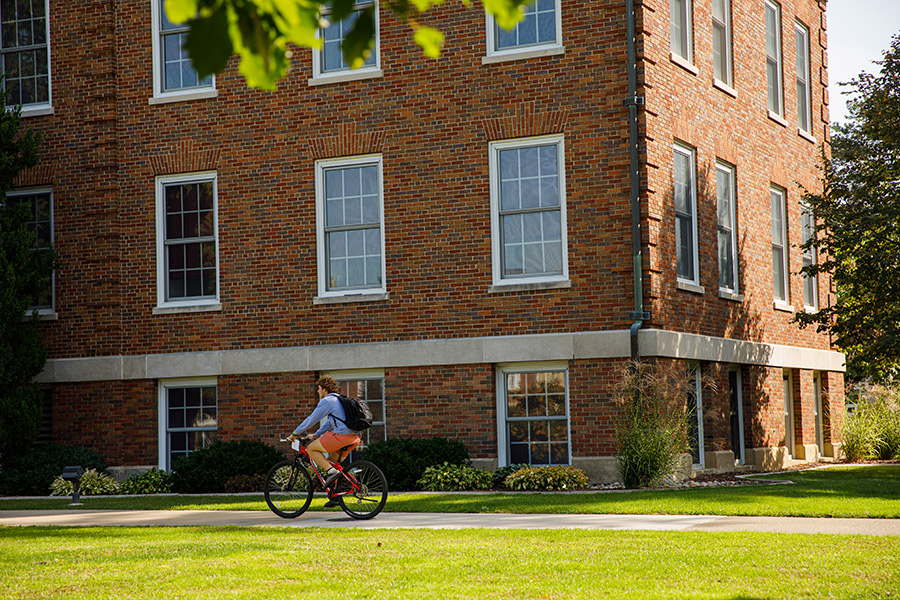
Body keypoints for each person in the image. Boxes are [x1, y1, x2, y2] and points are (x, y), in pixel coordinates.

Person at [287, 376, 361, 506]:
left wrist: (294, 433)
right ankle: (335, 496)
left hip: (341, 436)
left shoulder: (327, 401)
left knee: (311, 449)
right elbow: (329, 423)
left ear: (325, 389)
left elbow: (311, 419)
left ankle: (332, 472)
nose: (317, 392)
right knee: (331, 462)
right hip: (354, 438)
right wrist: (316, 434)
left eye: (319, 389)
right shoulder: (340, 400)